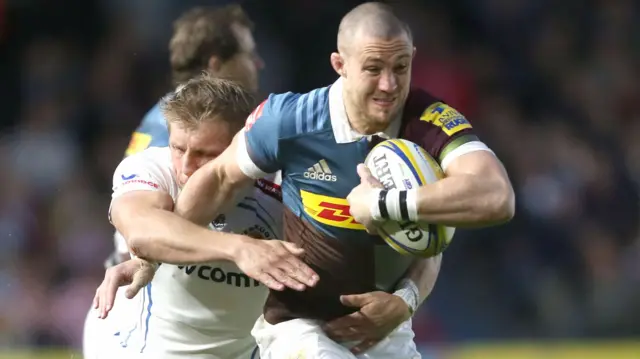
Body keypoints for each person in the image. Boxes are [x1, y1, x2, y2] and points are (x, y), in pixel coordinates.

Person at [174, 2, 515, 359]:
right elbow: (219, 178)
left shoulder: (430, 123)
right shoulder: (290, 121)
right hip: (299, 326)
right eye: (373, 68)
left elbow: (494, 197)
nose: (389, 84)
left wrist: (403, 292)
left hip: (385, 331)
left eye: (401, 67)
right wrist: (151, 255)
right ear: (340, 65)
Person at [82, 4, 264, 358]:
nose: (258, 63)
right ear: (215, 65)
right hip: (139, 309)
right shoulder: (176, 131)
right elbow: (145, 231)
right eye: (248, 53)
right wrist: (240, 250)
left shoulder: (170, 117)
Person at [95, 76, 317, 359]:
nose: (186, 167)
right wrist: (240, 249)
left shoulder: (283, 189)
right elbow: (142, 233)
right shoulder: (150, 168)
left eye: (204, 153)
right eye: (178, 148)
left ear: (240, 146)